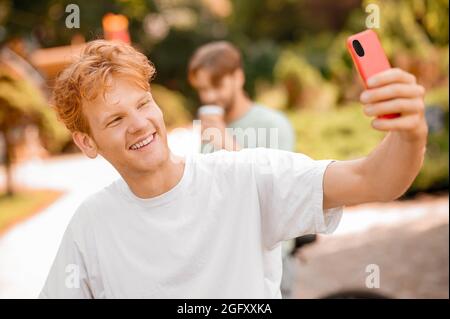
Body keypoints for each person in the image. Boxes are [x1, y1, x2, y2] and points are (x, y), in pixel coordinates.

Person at [39, 39, 428, 298]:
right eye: (115, 119)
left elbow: (373, 180)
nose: (140, 124)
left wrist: (410, 135)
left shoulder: (246, 177)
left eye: (143, 104)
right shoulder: (91, 225)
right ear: (87, 142)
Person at [188, 41, 298, 298]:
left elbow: (274, 190)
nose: (209, 97)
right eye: (202, 89)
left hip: (268, 264)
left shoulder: (273, 124)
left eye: (216, 85)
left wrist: (226, 141)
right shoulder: (212, 129)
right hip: (228, 262)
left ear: (238, 77)